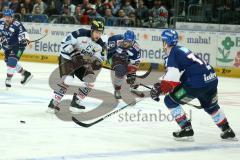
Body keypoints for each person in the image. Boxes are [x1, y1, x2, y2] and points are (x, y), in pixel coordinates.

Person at [150, 29, 236, 140]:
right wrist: (164, 86)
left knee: (170, 101)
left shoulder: (173, 53)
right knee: (211, 106)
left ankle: (186, 128)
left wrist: (160, 89)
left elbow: (172, 78)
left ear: (165, 42)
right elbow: (177, 75)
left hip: (196, 83)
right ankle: (227, 129)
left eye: (163, 40)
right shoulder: (181, 50)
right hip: (211, 79)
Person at [48, 20, 106, 113]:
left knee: (90, 79)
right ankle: (54, 102)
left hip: (81, 63)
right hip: (67, 58)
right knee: (68, 80)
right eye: (96, 32)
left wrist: (96, 63)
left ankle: (76, 101)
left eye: (100, 33)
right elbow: (64, 43)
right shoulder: (80, 33)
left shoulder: (100, 45)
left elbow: (99, 59)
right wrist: (74, 54)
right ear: (91, 30)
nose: (98, 35)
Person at [0, 9, 33, 89]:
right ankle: (25, 74)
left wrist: (26, 39)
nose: (7, 19)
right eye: (5, 17)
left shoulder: (17, 24)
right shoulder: (1, 22)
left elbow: (24, 34)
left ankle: (8, 79)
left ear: (12, 17)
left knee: (12, 61)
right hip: (8, 46)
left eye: (9, 17)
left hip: (19, 47)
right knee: (8, 61)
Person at [107, 30, 141, 99]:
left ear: (133, 41)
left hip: (126, 60)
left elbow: (136, 63)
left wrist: (131, 74)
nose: (127, 43)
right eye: (126, 41)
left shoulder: (136, 48)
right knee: (120, 69)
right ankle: (117, 90)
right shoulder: (116, 40)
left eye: (130, 42)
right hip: (113, 57)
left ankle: (133, 84)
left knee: (130, 72)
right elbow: (109, 53)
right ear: (123, 39)